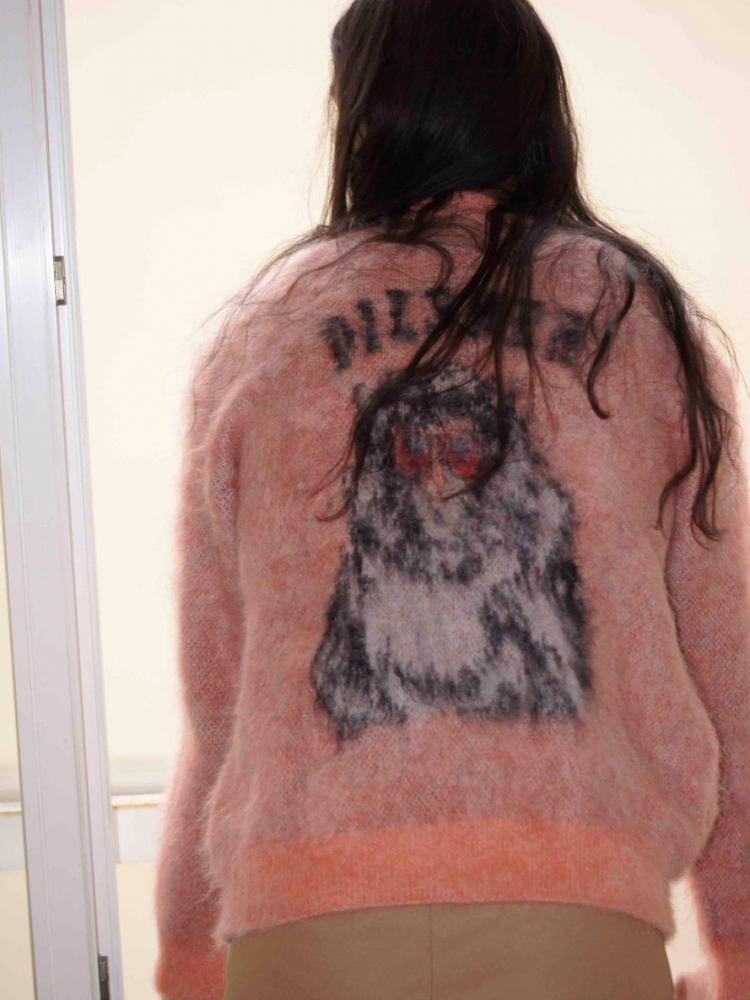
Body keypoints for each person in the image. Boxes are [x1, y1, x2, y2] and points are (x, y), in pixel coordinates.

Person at [152, 2, 750, 999]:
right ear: (535, 104)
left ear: (362, 110)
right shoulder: (637, 319)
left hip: (307, 918)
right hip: (573, 914)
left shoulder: (262, 336)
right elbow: (728, 671)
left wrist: (184, 953)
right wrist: (740, 946)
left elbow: (219, 702)